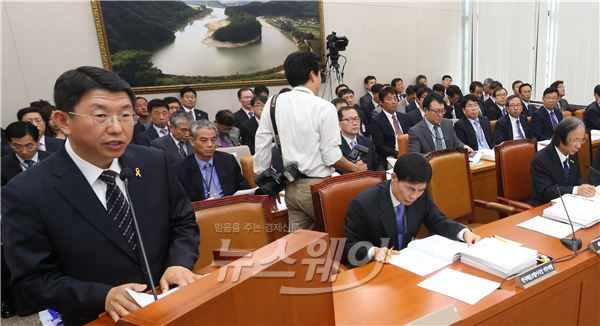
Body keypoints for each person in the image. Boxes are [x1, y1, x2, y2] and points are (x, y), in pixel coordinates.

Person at [1, 66, 199, 324]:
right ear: (62, 121)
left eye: (126, 115)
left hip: (172, 308)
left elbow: (183, 222)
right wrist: (102, 296)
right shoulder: (26, 192)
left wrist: (180, 263)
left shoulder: (153, 162)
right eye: (101, 116)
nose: (117, 128)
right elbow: (32, 283)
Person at [254, 51, 366, 231]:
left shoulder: (274, 102)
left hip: (291, 187)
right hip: (318, 188)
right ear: (312, 74)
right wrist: (355, 169)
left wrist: (265, 181)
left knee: (299, 245)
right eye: (320, 74)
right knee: (339, 237)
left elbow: (261, 143)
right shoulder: (324, 107)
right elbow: (331, 157)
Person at [342, 153, 481, 267]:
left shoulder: (422, 195)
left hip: (411, 264)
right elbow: (349, 245)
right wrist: (373, 251)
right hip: (377, 269)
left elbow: (437, 220)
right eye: (410, 189)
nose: (414, 196)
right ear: (394, 178)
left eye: (420, 190)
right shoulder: (363, 203)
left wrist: (463, 233)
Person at [174, 120, 249, 202]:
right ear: (192, 141)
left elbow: (243, 187)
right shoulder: (180, 169)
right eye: (204, 140)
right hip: (201, 212)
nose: (210, 144)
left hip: (229, 208)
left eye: (213, 140)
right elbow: (180, 202)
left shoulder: (228, 160)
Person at [530, 117, 596, 206]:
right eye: (575, 140)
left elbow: (577, 178)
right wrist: (576, 190)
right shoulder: (541, 160)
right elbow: (547, 191)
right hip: (547, 207)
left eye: (581, 140)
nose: (579, 146)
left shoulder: (572, 153)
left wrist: (585, 187)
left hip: (570, 203)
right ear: (560, 138)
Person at [1, 121, 52, 186]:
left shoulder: (53, 159)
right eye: (17, 147)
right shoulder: (2, 165)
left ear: (38, 141)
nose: (24, 151)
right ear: (10, 143)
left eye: (29, 146)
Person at [370, 87, 411, 169]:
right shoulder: (377, 121)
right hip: (390, 157)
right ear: (381, 102)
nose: (393, 102)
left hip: (408, 152)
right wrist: (397, 154)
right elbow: (379, 145)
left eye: (395, 99)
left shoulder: (404, 117)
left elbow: (410, 135)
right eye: (389, 99)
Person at [338, 106, 375, 171]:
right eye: (349, 120)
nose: (355, 123)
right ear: (339, 123)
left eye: (357, 119)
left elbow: (376, 163)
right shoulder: (336, 145)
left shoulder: (367, 142)